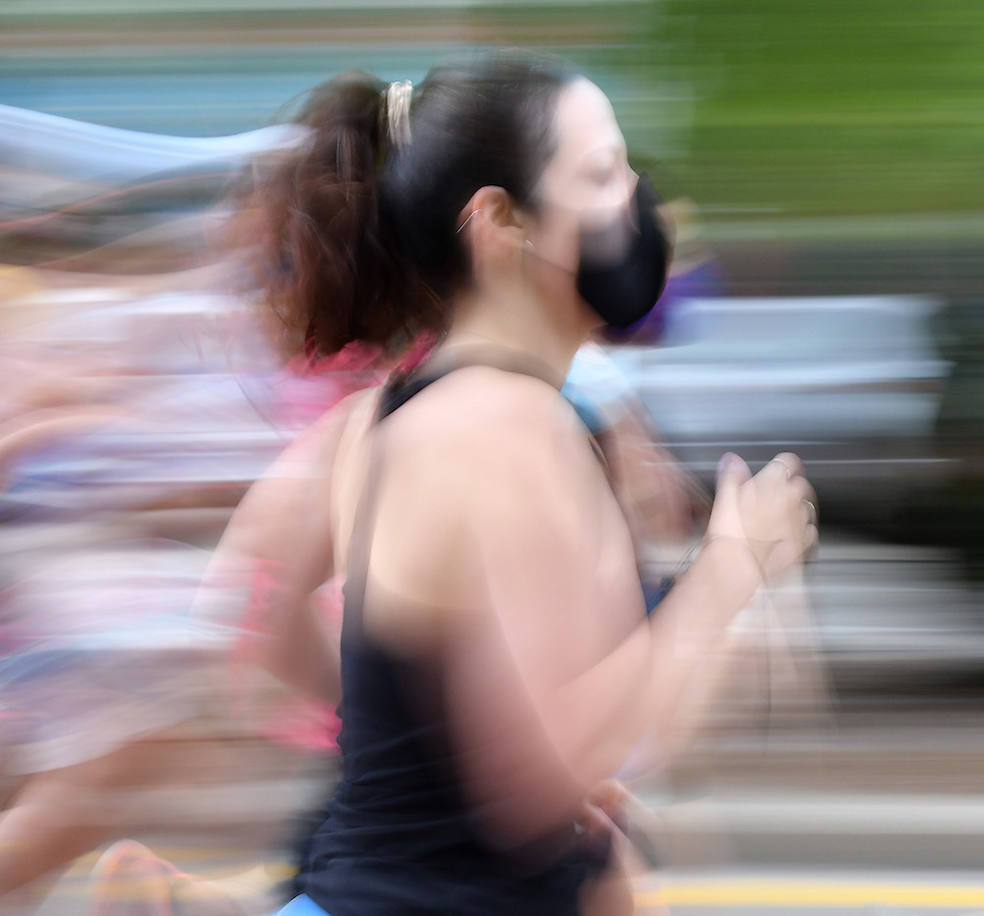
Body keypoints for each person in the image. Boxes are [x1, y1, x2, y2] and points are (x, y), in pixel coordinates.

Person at [206, 50, 817, 916]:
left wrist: (437, 751)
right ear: (501, 222)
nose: (641, 200)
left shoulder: (383, 413)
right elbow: (550, 776)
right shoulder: (507, 429)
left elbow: (262, 615)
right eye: (603, 173)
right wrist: (729, 566)